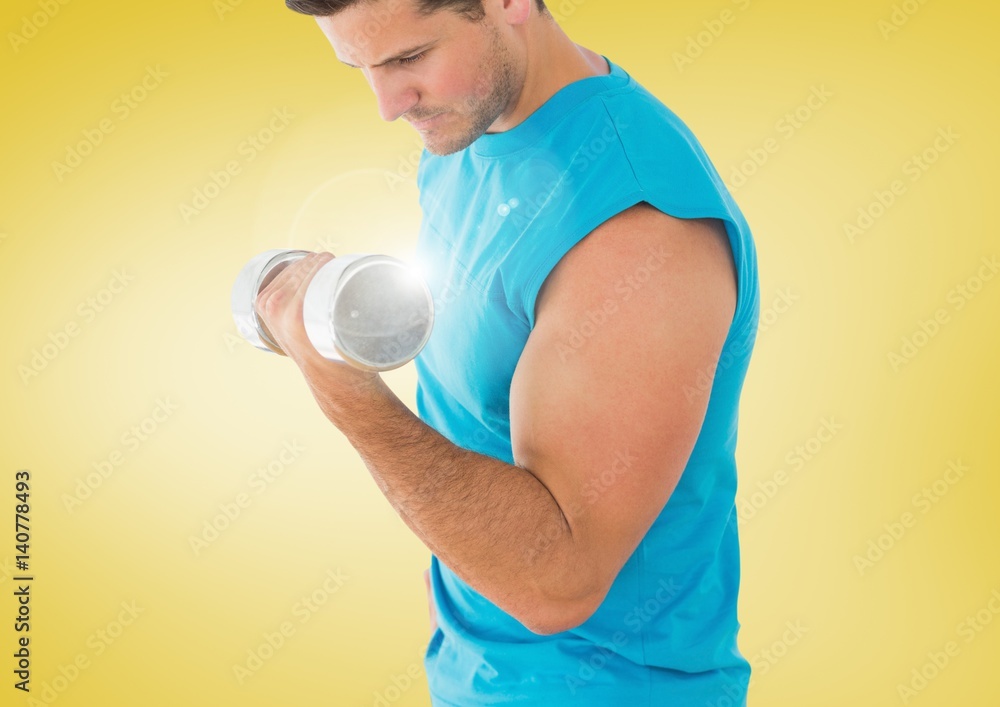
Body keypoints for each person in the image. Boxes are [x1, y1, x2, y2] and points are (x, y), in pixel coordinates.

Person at [259, 0, 761, 704]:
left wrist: (341, 385)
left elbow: (559, 581)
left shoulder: (638, 230)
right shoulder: (471, 133)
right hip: (478, 677)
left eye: (408, 59)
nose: (387, 103)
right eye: (361, 68)